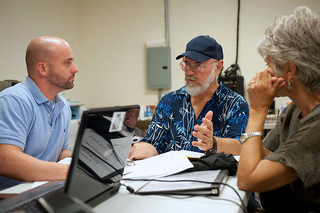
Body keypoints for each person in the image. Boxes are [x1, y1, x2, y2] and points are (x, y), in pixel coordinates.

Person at [237, 6, 320, 212]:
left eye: (269, 64)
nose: (265, 72)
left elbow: (248, 181)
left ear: (290, 70)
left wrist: (257, 109)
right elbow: (265, 153)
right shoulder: (293, 111)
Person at [129, 35, 249, 160]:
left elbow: (240, 146)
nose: (190, 72)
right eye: (187, 64)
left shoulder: (235, 103)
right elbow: (152, 143)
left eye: (198, 65)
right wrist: (133, 149)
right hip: (171, 177)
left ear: (218, 67)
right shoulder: (169, 101)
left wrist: (212, 143)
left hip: (212, 176)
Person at [0, 36, 79, 190]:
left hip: (42, 189)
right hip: (9, 199)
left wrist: (87, 162)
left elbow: (60, 154)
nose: (75, 69)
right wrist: (72, 172)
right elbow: (5, 159)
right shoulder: (14, 101)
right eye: (67, 62)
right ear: (42, 68)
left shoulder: (63, 106)